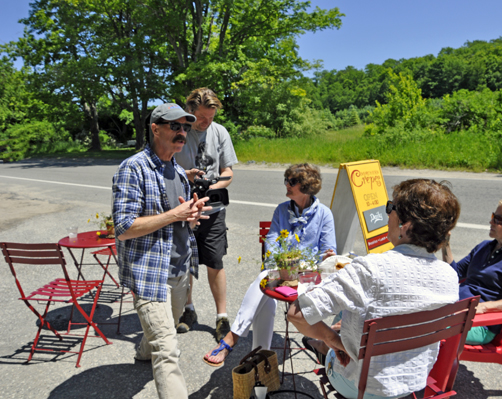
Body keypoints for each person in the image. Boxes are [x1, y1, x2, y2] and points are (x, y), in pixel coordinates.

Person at [288, 179, 461, 399]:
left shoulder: (371, 269)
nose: (388, 214)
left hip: (361, 386)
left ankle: (321, 346)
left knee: (338, 327)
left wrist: (334, 341)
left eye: (391, 208)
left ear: (405, 226)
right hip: (412, 381)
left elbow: (297, 314)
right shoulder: (449, 276)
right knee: (354, 307)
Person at [112, 103, 210, 398]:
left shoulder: (177, 169)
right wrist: (175, 214)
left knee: (166, 326)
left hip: (179, 271)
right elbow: (124, 227)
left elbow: (177, 223)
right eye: (174, 126)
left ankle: (144, 351)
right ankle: (154, 350)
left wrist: (190, 217)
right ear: (155, 129)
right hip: (149, 275)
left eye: (185, 127)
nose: (182, 133)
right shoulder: (133, 168)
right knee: (168, 350)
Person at [203, 163, 336, 367]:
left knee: (264, 286)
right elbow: (271, 244)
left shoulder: (324, 214)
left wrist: (304, 264)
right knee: (264, 283)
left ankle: (235, 341)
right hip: (281, 271)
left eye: (292, 182)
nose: (286, 185)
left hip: (308, 277)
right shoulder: (282, 210)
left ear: (307, 186)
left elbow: (326, 253)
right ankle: (259, 359)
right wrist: (284, 266)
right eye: (286, 180)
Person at [174, 87, 238, 340]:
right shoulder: (179, 130)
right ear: (189, 111)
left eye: (210, 117)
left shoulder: (220, 132)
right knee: (185, 260)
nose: (206, 122)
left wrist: (213, 186)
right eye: (201, 117)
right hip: (184, 208)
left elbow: (229, 172)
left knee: (215, 261)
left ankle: (222, 317)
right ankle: (187, 310)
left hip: (213, 208)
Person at [441, 196, 502, 345]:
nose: (491, 222)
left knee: (425, 325)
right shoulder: (484, 247)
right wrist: (445, 245)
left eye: (498, 220)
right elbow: (454, 274)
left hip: (480, 325)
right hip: (454, 311)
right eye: (493, 216)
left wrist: (483, 308)